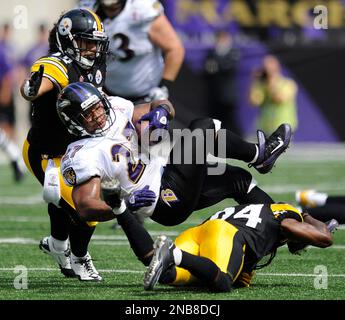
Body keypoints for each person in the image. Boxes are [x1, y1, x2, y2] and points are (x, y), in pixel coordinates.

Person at [57, 82, 292, 267]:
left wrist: (161, 111)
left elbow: (159, 103)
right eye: (87, 114)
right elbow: (85, 206)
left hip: (165, 173)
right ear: (74, 122)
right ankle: (259, 156)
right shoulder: (82, 153)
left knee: (238, 181)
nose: (97, 114)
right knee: (203, 128)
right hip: (163, 200)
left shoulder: (116, 108)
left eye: (97, 106)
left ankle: (284, 229)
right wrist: (123, 205)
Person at [20, 8, 109, 281]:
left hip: (76, 149)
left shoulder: (95, 65)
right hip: (46, 153)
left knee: (64, 202)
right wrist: (31, 89)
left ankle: (57, 245)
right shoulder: (57, 64)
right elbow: (38, 82)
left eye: (96, 42)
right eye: (87, 42)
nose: (94, 48)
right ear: (68, 40)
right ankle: (80, 258)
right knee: (88, 208)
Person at [144, 203, 337, 292]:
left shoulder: (263, 219)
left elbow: (242, 261)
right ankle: (174, 254)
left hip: (200, 233)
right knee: (222, 282)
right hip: (225, 234)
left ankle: (170, 255)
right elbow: (324, 238)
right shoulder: (290, 217)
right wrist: (309, 218)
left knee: (169, 276)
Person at [78, 0, 185, 103]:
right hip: (107, 94)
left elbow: (174, 49)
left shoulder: (143, 9)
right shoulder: (86, 10)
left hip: (146, 95)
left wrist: (163, 87)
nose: (111, 8)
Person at [249, 55, 298, 135]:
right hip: (264, 127)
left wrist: (271, 81)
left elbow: (279, 98)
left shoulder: (287, 83)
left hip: (283, 127)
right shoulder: (261, 85)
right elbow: (255, 101)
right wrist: (254, 81)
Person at [204, 30, 240, 134]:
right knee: (214, 119)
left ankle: (233, 141)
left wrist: (217, 66)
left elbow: (229, 68)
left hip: (228, 94)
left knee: (229, 119)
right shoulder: (212, 53)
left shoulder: (233, 52)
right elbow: (208, 68)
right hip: (214, 93)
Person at [0, 37, 25, 182]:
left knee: (7, 128)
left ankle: (17, 159)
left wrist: (5, 94)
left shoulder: (2, 51)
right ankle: (16, 158)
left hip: (3, 95)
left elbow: (8, 74)